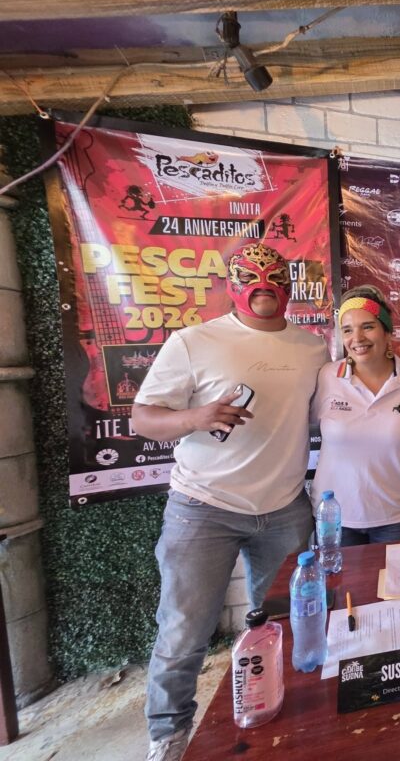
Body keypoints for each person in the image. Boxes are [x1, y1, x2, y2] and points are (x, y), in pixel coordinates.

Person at [133, 243, 328, 761]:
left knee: (288, 622)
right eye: (252, 279)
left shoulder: (313, 348)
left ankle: (286, 718)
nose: (264, 287)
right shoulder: (193, 341)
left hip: (284, 506)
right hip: (203, 506)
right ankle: (168, 735)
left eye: (275, 278)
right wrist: (194, 418)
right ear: (232, 285)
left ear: (290, 286)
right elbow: (142, 418)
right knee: (184, 631)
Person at [311, 285, 400, 543]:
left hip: (397, 516)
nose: (357, 338)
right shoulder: (327, 377)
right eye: (347, 330)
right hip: (334, 517)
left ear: (387, 332)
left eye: (368, 327)